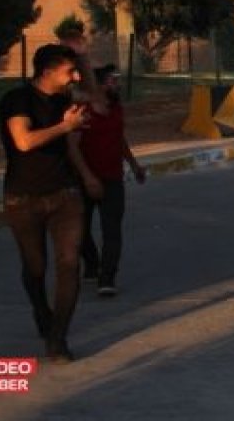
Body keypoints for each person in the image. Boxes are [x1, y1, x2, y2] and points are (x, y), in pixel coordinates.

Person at [0, 44, 98, 363]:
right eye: (70, 70)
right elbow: (24, 141)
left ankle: (57, 339)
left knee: (70, 264)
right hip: (23, 197)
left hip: (65, 195)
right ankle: (42, 311)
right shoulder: (17, 99)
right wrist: (63, 126)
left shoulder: (65, 100)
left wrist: (87, 176)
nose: (76, 76)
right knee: (36, 267)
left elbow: (69, 142)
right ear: (47, 71)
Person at [78, 64, 146, 298]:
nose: (116, 84)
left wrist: (134, 165)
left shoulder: (117, 108)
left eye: (116, 80)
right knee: (79, 230)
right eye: (111, 80)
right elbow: (73, 147)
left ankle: (107, 278)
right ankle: (91, 262)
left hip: (112, 179)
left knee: (112, 230)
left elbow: (119, 139)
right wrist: (86, 177)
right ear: (97, 86)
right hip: (84, 181)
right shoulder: (82, 111)